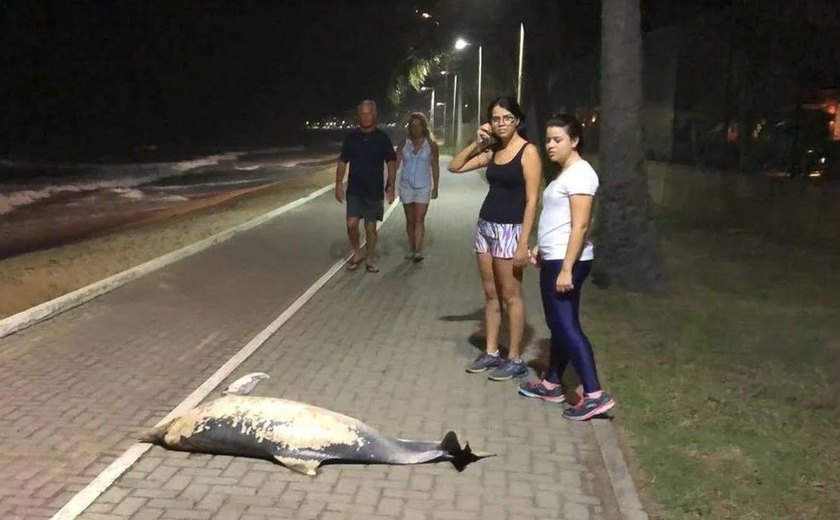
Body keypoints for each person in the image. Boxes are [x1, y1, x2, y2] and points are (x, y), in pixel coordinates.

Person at [518, 113, 615, 421]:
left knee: (566, 325)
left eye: (558, 140)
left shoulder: (581, 174)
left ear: (574, 141)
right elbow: (559, 221)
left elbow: (581, 224)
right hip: (556, 256)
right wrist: (541, 249)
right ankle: (551, 382)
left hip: (567, 261)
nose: (550, 145)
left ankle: (595, 394)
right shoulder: (566, 173)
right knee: (560, 324)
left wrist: (565, 268)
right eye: (548, 139)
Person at [447, 96, 541, 381]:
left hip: (510, 231)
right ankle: (491, 352)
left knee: (511, 295)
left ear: (517, 120)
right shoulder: (493, 151)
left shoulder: (528, 152)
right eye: (496, 118)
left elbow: (532, 200)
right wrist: (479, 141)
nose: (501, 123)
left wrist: (523, 243)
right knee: (491, 295)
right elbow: (455, 166)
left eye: (507, 118)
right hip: (486, 227)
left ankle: (514, 357)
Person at [335, 100, 397, 273]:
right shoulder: (351, 138)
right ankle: (357, 251)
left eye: (369, 113)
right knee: (351, 223)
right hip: (355, 189)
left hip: (374, 190)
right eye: (362, 114)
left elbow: (391, 161)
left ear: (374, 115)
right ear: (358, 116)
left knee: (370, 227)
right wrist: (338, 184)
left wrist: (391, 185)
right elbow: (342, 161)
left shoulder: (382, 138)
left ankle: (370, 257)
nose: (366, 117)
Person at [395, 113, 440, 262]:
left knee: (419, 218)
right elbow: (395, 164)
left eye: (418, 125)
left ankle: (418, 251)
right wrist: (390, 182)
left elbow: (435, 167)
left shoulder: (431, 145)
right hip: (406, 185)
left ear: (423, 127)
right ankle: (412, 247)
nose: (415, 129)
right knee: (410, 220)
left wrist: (435, 187)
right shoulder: (404, 144)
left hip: (423, 186)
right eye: (412, 126)